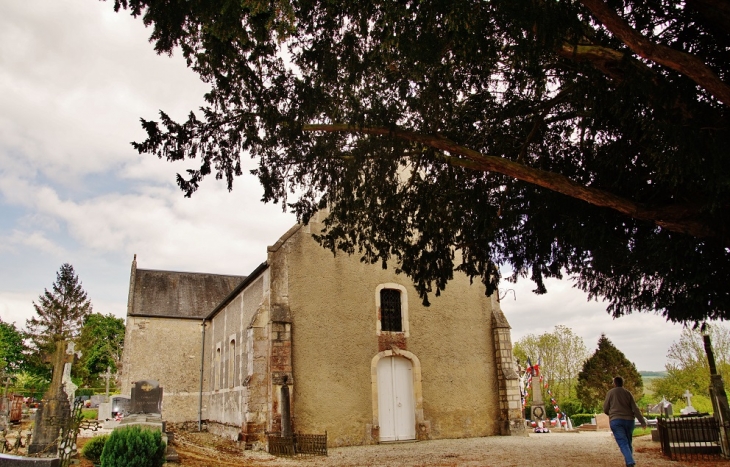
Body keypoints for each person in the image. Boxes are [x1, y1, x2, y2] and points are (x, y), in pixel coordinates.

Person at [603, 376, 647, 467]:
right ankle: (629, 462)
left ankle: (630, 461)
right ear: (622, 383)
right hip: (629, 421)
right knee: (628, 441)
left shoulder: (610, 393)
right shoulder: (628, 393)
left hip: (616, 420)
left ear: (614, 383)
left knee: (622, 442)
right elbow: (635, 408)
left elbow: (605, 408)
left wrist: (611, 414)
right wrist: (642, 422)